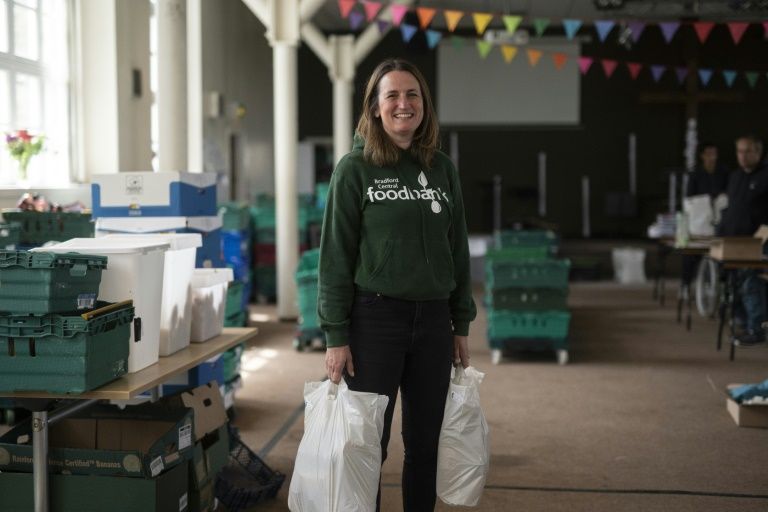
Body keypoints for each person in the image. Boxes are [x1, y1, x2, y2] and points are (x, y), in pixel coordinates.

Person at [318, 58, 477, 511]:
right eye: (392, 96)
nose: (403, 104)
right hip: (375, 320)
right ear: (374, 106)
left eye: (413, 95)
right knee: (369, 446)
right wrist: (336, 335)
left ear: (424, 105)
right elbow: (335, 257)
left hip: (432, 321)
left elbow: (458, 248)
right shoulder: (354, 169)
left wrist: (460, 323)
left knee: (425, 446)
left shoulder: (442, 169)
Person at [718, 134, 768, 346]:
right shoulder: (735, 177)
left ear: (758, 152)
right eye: (739, 151)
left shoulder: (766, 176)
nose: (743, 155)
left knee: (751, 283)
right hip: (733, 241)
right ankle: (743, 322)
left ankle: (756, 329)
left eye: (748, 151)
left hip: (759, 243)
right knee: (734, 284)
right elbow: (731, 208)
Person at [681, 142, 729, 286]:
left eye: (714, 154)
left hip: (719, 219)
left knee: (720, 252)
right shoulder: (695, 174)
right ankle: (685, 284)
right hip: (699, 220)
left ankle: (715, 284)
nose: (711, 157)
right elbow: (689, 199)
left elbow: (728, 194)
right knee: (689, 254)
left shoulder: (724, 171)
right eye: (708, 154)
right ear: (702, 156)